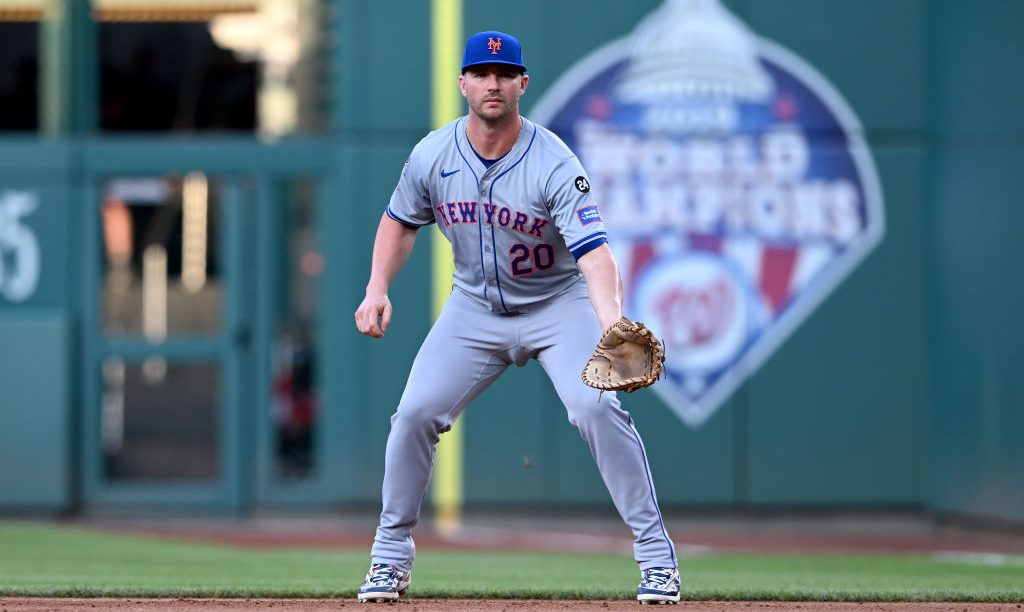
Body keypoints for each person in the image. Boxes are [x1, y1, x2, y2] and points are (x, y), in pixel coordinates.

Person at [353, 30, 679, 605]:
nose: (493, 83)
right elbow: (400, 221)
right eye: (481, 73)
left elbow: (595, 253)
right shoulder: (433, 153)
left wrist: (609, 320)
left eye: (504, 74)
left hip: (557, 305)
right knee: (414, 414)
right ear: (463, 84)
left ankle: (657, 560)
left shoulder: (554, 161)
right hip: (474, 310)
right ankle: (388, 561)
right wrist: (377, 286)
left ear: (523, 83)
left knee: (596, 407)